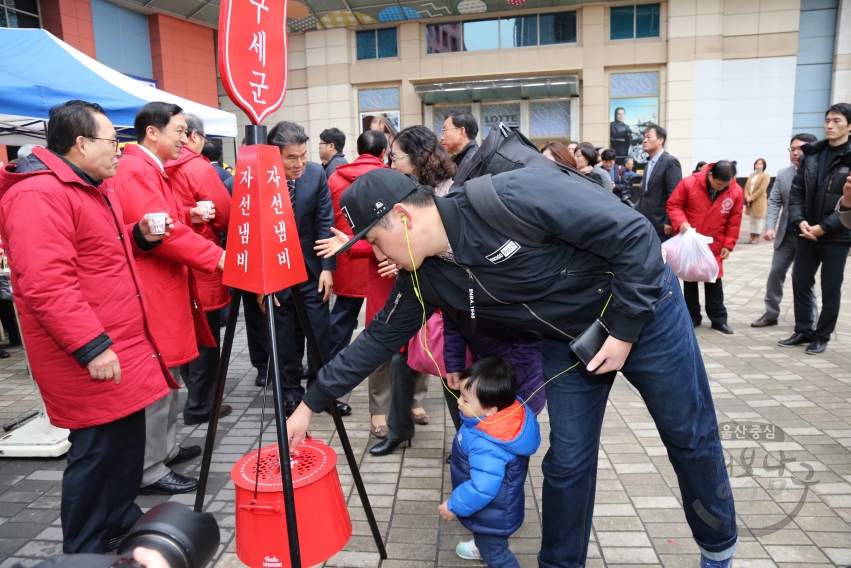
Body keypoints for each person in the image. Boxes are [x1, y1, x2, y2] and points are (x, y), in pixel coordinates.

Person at [290, 166, 739, 568]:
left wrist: (623, 331)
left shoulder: (511, 196)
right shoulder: (424, 276)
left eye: (372, 238)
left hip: (644, 312)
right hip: (569, 341)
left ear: (404, 219)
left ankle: (718, 550)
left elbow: (636, 235)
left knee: (688, 435)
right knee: (566, 461)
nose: (374, 250)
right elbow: (378, 339)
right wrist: (312, 402)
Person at [0, 100, 175, 552]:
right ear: (81, 144)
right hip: (90, 352)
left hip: (122, 345)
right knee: (96, 451)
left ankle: (118, 520)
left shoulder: (89, 186)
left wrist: (139, 235)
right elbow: (44, 283)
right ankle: (84, 548)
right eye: (113, 142)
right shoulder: (38, 194)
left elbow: (98, 254)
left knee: (124, 446)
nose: (120, 150)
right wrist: (92, 346)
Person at [111, 102, 226, 496]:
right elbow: (163, 234)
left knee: (170, 379)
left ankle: (165, 450)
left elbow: (165, 220)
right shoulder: (134, 172)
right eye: (179, 130)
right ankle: (150, 469)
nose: (185, 138)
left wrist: (190, 215)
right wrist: (218, 257)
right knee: (159, 383)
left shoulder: (147, 169)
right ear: (152, 132)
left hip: (166, 287)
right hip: (153, 291)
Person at [260, 121, 350, 415]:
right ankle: (289, 394)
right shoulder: (259, 179)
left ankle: (320, 393)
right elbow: (252, 234)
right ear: (275, 156)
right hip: (275, 273)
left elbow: (325, 222)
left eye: (303, 155)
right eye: (291, 158)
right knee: (284, 335)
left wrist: (327, 268)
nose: (300, 163)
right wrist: (259, 285)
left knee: (320, 332)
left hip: (311, 270)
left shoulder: (315, 174)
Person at [321, 130, 392, 436]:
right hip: (382, 262)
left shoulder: (335, 178)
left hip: (347, 257)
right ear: (383, 151)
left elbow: (326, 218)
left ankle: (329, 384)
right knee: (386, 329)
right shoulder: (390, 177)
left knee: (340, 326)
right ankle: (398, 401)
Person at [164, 114, 233, 426]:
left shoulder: (154, 166)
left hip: (168, 265)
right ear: (193, 137)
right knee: (206, 338)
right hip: (201, 260)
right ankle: (200, 406)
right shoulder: (196, 166)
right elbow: (223, 214)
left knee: (185, 332)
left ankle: (194, 398)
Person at [439, 357, 541, 567]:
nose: (458, 401)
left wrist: (454, 505)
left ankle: (485, 548)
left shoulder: (486, 444)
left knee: (497, 556)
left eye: (466, 400)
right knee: (490, 544)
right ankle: (480, 545)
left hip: (491, 515)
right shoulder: (492, 419)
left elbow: (482, 487)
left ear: (491, 410)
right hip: (494, 510)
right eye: (461, 395)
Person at [780, 103, 851, 355]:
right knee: (800, 280)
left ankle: (822, 335)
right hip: (807, 231)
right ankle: (803, 330)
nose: (829, 125)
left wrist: (824, 227)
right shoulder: (812, 154)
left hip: (837, 235)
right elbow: (797, 191)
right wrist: (800, 221)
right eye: (827, 120)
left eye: (837, 121)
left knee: (830, 286)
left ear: (849, 126)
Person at [667, 161, 743, 334]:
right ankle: (693, 317)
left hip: (714, 242)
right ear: (710, 176)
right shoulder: (689, 183)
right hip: (691, 239)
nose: (723, 188)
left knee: (714, 280)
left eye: (726, 184)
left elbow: (734, 220)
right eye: (719, 184)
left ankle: (718, 319)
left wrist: (728, 244)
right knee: (690, 278)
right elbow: (674, 205)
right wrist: (681, 222)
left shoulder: (736, 191)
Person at [751, 134, 818, 328]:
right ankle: (771, 314)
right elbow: (774, 202)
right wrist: (770, 227)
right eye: (793, 149)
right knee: (775, 273)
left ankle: (810, 318)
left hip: (809, 236)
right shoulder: (783, 174)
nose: (796, 152)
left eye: (801, 148)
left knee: (804, 277)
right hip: (786, 235)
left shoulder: (819, 173)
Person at [635, 124, 683, 241]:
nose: (644, 140)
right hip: (647, 222)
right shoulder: (648, 164)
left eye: (649, 137)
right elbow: (645, 195)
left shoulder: (670, 162)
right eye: (644, 137)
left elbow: (675, 195)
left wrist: (670, 220)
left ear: (660, 140)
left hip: (662, 224)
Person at [744, 159, 769, 243]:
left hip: (759, 200)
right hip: (749, 200)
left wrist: (752, 197)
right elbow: (747, 187)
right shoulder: (751, 175)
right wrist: (747, 196)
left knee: (757, 219)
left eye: (760, 164)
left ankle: (757, 237)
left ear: (763, 166)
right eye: (756, 164)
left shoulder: (765, 176)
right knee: (751, 219)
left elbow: (762, 189)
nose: (757, 166)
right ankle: (751, 237)